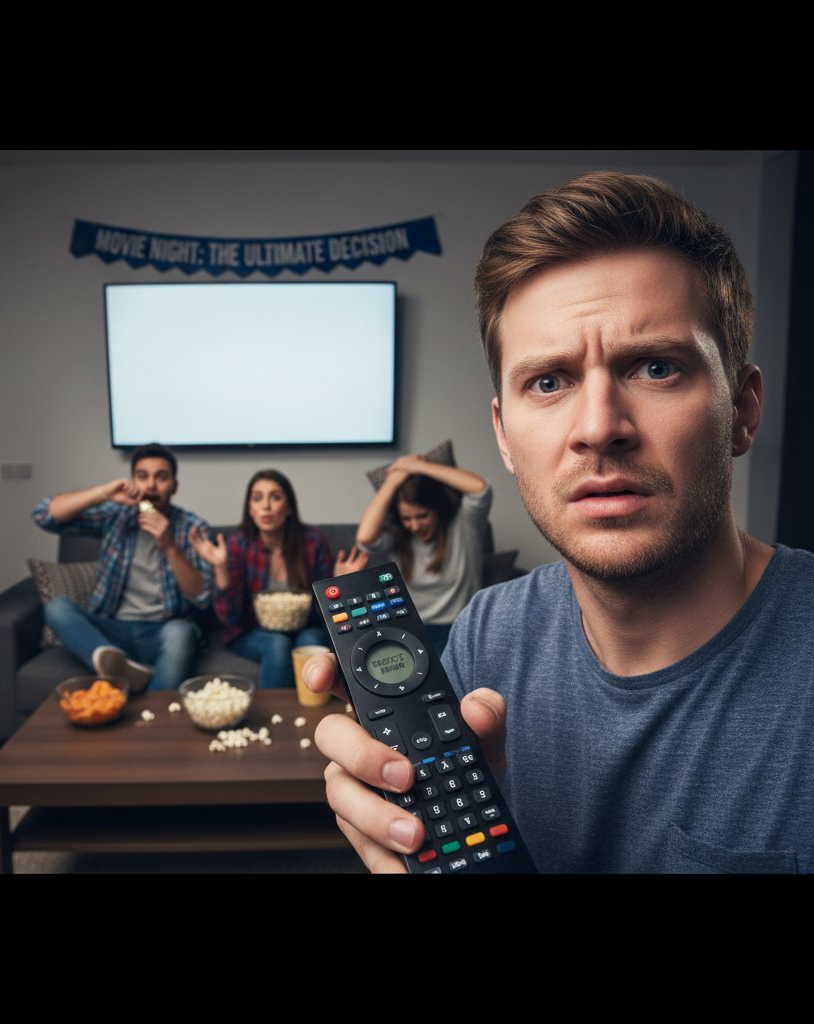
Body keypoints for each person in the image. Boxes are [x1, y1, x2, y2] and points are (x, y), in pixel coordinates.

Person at [304, 171, 814, 873]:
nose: (599, 427)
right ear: (506, 437)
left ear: (743, 410)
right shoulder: (489, 635)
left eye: (657, 367)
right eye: (549, 381)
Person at [32, 443, 212, 692]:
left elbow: (201, 596)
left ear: (174, 486)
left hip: (163, 630)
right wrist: (103, 493)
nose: (150, 486)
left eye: (161, 477)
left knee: (182, 634)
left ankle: (147, 713)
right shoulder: (115, 516)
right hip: (112, 628)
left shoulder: (193, 527)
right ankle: (114, 663)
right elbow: (44, 515)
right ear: (132, 482)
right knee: (57, 608)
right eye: (142, 477)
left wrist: (169, 546)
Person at [189, 469, 367, 688]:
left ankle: (317, 717)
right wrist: (221, 570)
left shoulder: (312, 542)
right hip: (251, 631)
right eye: (257, 498)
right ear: (250, 510)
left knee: (311, 642)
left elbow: (325, 614)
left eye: (275, 497)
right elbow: (230, 619)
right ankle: (277, 717)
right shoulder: (238, 544)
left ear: (289, 507)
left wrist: (338, 584)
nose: (266, 506)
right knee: (277, 644)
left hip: (305, 627)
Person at [356, 455, 492, 656]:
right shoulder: (399, 538)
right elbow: (365, 537)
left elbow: (480, 489)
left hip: (456, 626)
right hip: (410, 626)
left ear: (437, 510)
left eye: (422, 516)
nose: (415, 526)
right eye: (407, 518)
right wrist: (393, 481)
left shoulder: (464, 526)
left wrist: (421, 466)